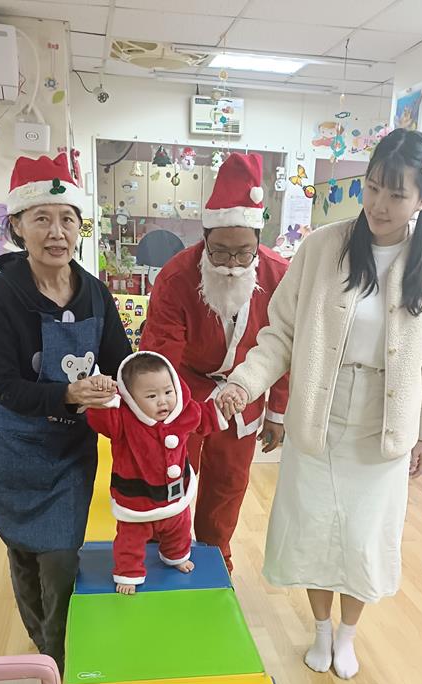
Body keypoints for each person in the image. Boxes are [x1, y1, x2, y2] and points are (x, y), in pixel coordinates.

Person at [218, 129, 422, 679]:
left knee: (364, 536)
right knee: (314, 528)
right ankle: (322, 628)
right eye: (372, 187)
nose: (379, 204)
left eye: (396, 194)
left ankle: (348, 635)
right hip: (318, 412)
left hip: (384, 421)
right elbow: (280, 333)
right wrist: (244, 384)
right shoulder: (323, 247)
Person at [0, 152, 130, 674]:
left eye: (67, 219)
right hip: (10, 442)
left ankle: (56, 656)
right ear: (18, 225)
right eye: (41, 218)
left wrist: (153, 392)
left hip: (68, 451)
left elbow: (121, 361)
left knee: (61, 557)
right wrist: (68, 393)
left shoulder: (96, 294)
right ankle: (45, 650)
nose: (56, 232)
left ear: (80, 227)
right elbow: (4, 385)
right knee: (23, 553)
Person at [140, 152, 288, 572]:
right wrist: (155, 416)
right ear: (204, 239)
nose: (231, 266)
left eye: (243, 253)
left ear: (258, 241)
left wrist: (277, 413)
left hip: (246, 395)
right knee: (168, 477)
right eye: (219, 252)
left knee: (229, 483)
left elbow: (285, 348)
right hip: (183, 389)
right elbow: (160, 355)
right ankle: (162, 555)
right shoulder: (176, 277)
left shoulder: (279, 276)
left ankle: (214, 559)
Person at [85, 351, 227, 593]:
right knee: (130, 540)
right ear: (131, 398)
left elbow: (203, 417)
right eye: (151, 396)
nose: (163, 401)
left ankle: (176, 556)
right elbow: (101, 419)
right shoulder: (123, 419)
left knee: (179, 529)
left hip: (174, 497)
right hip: (137, 501)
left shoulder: (183, 412)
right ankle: (128, 572)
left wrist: (224, 408)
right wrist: (101, 396)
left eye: (168, 392)